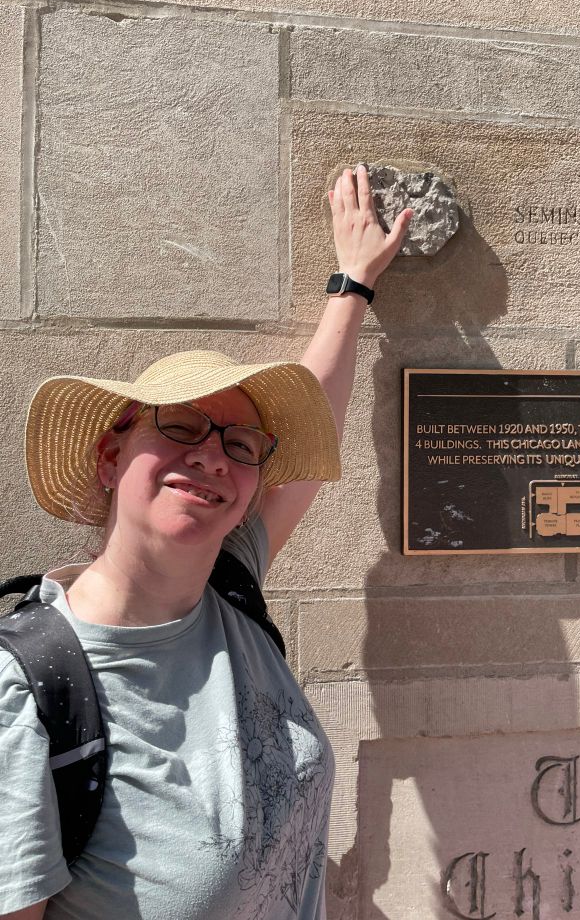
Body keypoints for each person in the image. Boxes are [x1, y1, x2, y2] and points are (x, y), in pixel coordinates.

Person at [0, 166, 412, 920]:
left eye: (241, 444)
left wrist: (351, 286)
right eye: (180, 428)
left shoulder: (230, 584)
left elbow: (311, 422)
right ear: (109, 454)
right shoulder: (27, 688)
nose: (213, 457)